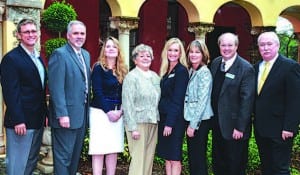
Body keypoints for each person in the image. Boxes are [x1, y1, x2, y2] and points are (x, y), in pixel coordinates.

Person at [0, 18, 47, 175]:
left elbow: (39, 90)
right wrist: (18, 120)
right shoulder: (11, 59)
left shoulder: (38, 58)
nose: (31, 34)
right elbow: (10, 93)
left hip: (37, 120)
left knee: (30, 162)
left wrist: (45, 113)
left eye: (33, 31)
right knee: (17, 166)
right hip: (20, 123)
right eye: (26, 32)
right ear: (19, 35)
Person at [254, 31, 300, 175]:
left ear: (278, 45)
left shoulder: (290, 67)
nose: (266, 48)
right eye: (262, 45)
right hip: (261, 129)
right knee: (267, 167)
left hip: (281, 130)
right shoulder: (256, 68)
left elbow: (295, 100)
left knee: (280, 169)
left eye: (269, 44)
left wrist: (289, 127)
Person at [48, 20, 90, 175]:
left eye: (82, 33)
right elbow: (56, 87)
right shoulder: (60, 54)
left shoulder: (85, 55)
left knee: (74, 158)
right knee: (63, 158)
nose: (79, 36)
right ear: (68, 36)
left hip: (81, 116)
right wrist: (62, 114)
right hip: (65, 117)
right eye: (75, 33)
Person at [210, 32, 255, 175]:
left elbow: (247, 100)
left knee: (235, 166)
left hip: (235, 129)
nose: (226, 48)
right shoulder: (216, 63)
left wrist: (240, 127)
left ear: (236, 46)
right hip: (218, 125)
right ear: (219, 46)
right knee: (219, 164)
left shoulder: (245, 68)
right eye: (223, 45)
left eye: (230, 45)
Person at [88, 36, 128, 175]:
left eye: (114, 46)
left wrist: (121, 111)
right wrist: (109, 112)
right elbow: (97, 92)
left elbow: (125, 93)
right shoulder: (99, 68)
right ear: (104, 50)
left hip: (118, 114)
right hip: (100, 113)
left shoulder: (123, 70)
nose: (111, 49)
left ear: (118, 50)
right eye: (108, 46)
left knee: (113, 148)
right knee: (99, 149)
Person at [122, 44, 161, 175]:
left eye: (148, 55)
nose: (146, 58)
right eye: (142, 55)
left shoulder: (155, 77)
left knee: (148, 159)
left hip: (153, 122)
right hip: (137, 123)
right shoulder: (131, 77)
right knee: (138, 160)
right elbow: (127, 103)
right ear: (135, 60)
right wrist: (133, 128)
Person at [157, 37, 189, 175]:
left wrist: (169, 123)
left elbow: (178, 99)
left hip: (174, 120)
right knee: (167, 156)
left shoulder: (181, 71)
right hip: (164, 118)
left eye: (176, 50)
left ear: (180, 53)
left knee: (174, 157)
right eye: (170, 50)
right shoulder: (166, 70)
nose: (173, 53)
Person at [184, 40, 213, 175]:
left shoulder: (204, 73)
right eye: (191, 52)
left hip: (200, 122)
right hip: (190, 118)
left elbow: (202, 101)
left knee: (198, 158)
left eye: (197, 52)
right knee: (193, 158)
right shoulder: (191, 70)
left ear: (203, 54)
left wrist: (193, 125)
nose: (194, 55)